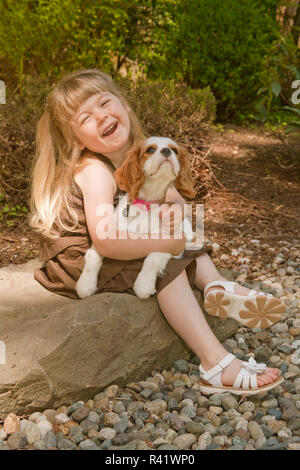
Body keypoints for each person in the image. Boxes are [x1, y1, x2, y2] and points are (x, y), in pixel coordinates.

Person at [30, 69, 285, 395]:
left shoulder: (140, 153)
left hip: (114, 235)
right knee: (163, 260)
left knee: (182, 230)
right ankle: (214, 363)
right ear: (77, 140)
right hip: (82, 257)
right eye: (86, 117)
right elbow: (105, 240)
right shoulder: (94, 170)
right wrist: (163, 243)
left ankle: (214, 285)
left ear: (123, 104)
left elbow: (173, 197)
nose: (102, 116)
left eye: (105, 103)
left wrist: (173, 214)